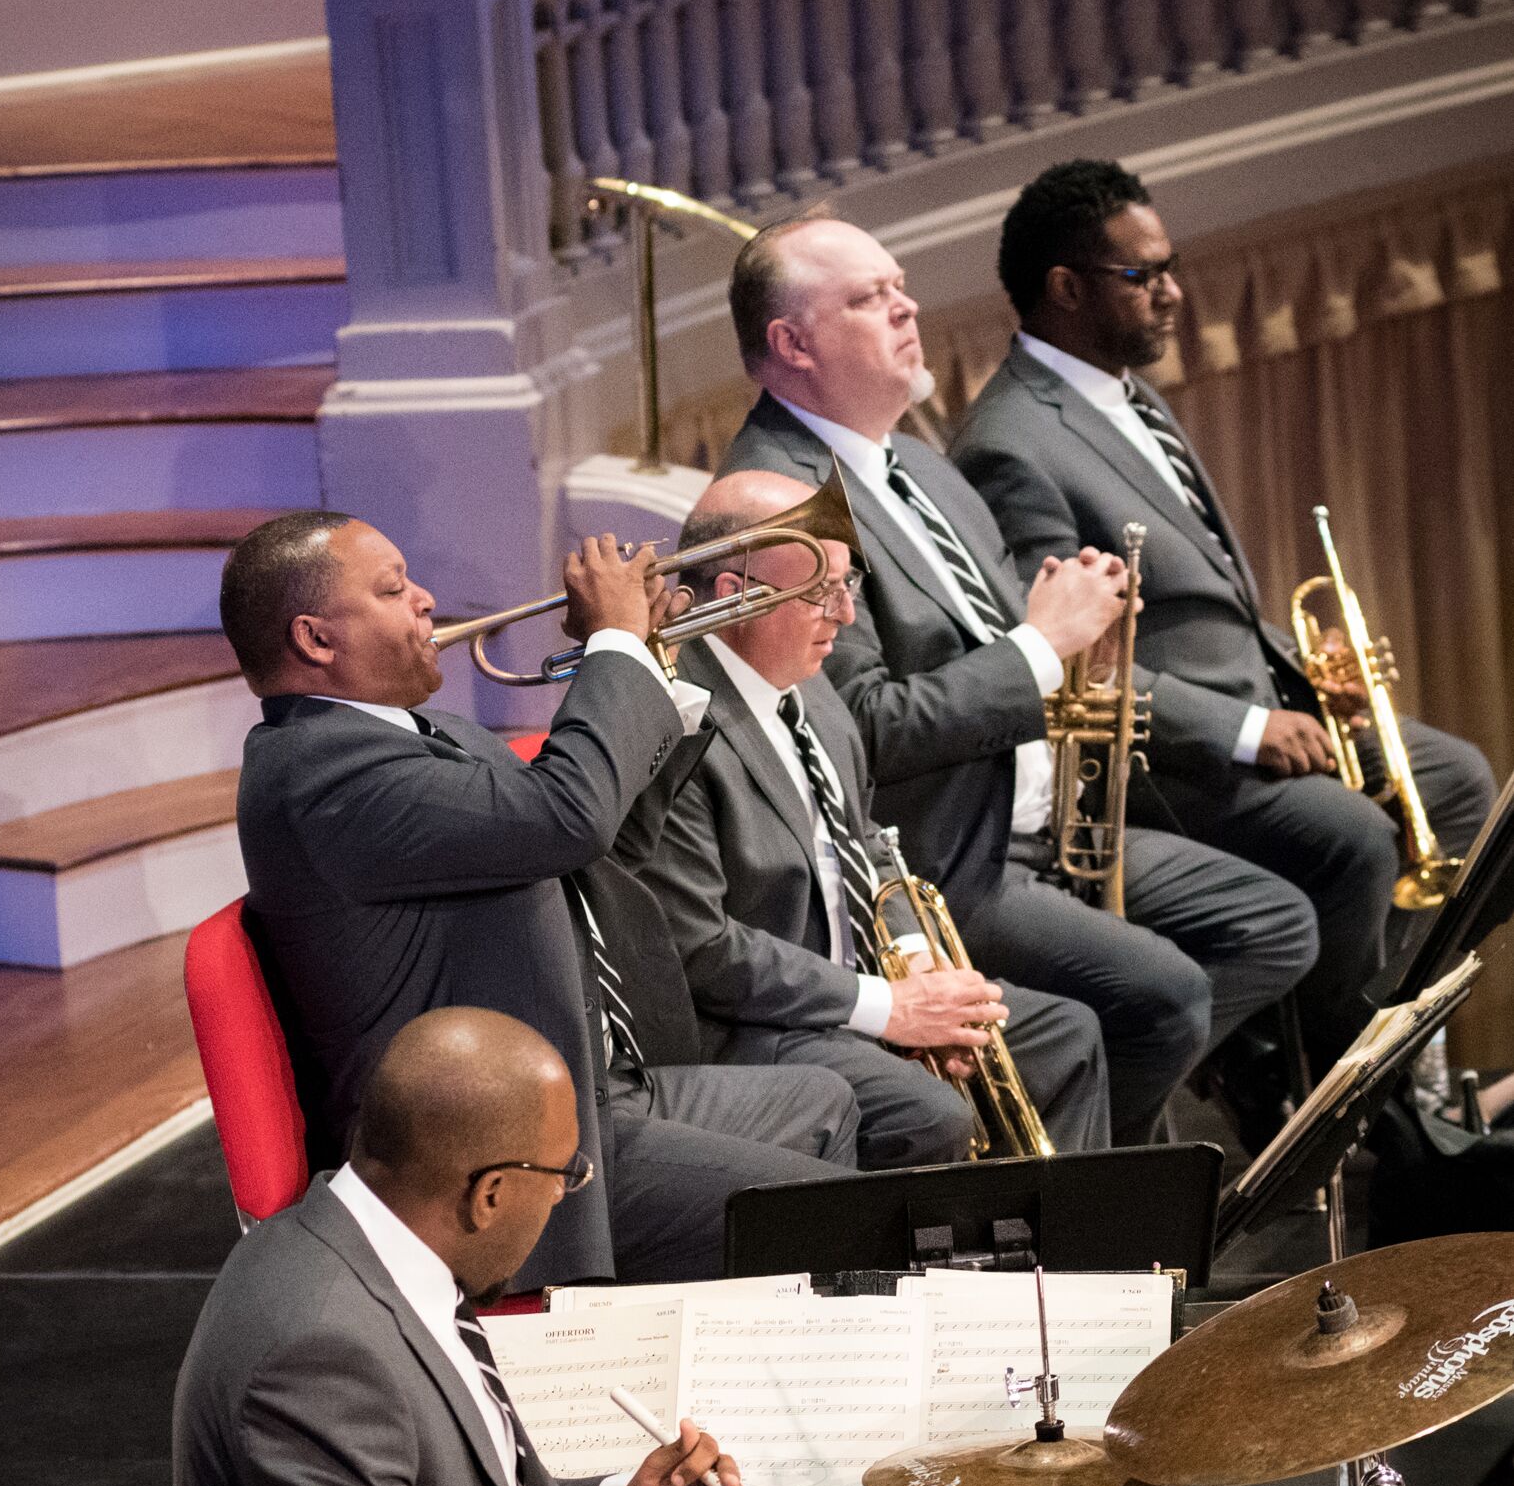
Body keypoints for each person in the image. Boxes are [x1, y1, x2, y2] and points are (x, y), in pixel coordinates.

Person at [716, 215, 1320, 1143]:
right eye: (869, 299)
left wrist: (1084, 621)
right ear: (793, 344)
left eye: (899, 284)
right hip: (950, 859)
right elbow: (867, 726)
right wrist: (1043, 646)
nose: (906, 306)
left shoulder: (917, 461)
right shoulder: (779, 502)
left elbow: (1019, 625)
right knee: (1164, 995)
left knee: (1272, 921)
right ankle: (1087, 1190)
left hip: (1045, 820)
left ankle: (1102, 1158)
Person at [160, 1008, 852, 1486]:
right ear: (489, 1193)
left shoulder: (383, 1254)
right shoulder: (316, 1346)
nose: (564, 1198)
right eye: (564, 1176)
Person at [221, 510, 860, 1289]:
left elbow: (602, 843)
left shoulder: (426, 735)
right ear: (316, 639)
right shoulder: (324, 775)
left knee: (829, 1104)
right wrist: (616, 646)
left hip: (588, 1091)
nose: (425, 599)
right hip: (486, 1160)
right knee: (831, 1215)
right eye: (393, 589)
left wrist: (653, 659)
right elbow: (568, 816)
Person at [950, 158, 1497, 1066]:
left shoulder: (1131, 396)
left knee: (1458, 784)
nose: (1171, 292)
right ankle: (1335, 1077)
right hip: (1169, 764)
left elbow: (1201, 596)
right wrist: (1245, 727)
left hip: (1258, 704)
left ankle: (1374, 1029)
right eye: (1144, 276)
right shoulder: (1008, 443)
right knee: (1355, 837)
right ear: (1065, 288)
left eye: (1169, 266)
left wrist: (1304, 673)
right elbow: (1070, 659)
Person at [620, 470, 1113, 1163]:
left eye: (847, 585)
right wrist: (887, 1008)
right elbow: (703, 950)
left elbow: (869, 850)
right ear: (736, 597)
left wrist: (914, 967)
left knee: (1066, 1036)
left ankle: (1055, 1257)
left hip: (852, 993)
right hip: (751, 1022)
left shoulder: (817, 693)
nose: (846, 617)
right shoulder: (673, 723)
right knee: (930, 1114)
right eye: (822, 591)